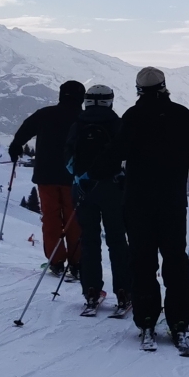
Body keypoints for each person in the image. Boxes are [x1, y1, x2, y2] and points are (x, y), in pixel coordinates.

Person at [119, 66, 189, 354]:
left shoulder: (131, 117)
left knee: (142, 261)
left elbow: (113, 155)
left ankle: (147, 319)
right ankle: (179, 322)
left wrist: (92, 178)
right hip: (172, 203)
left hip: (137, 203)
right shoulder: (181, 115)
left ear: (138, 91)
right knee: (175, 260)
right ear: (164, 86)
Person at [7, 79, 87, 276]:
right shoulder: (84, 118)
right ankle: (77, 262)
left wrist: (16, 145)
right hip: (73, 178)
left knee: (50, 218)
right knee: (74, 219)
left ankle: (56, 260)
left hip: (46, 176)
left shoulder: (45, 114)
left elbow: (24, 130)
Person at [65, 83, 129, 318]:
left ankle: (91, 291)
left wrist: (81, 178)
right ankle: (123, 292)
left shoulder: (78, 125)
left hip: (83, 190)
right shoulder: (118, 124)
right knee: (117, 241)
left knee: (89, 241)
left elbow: (68, 160)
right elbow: (126, 157)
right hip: (113, 189)